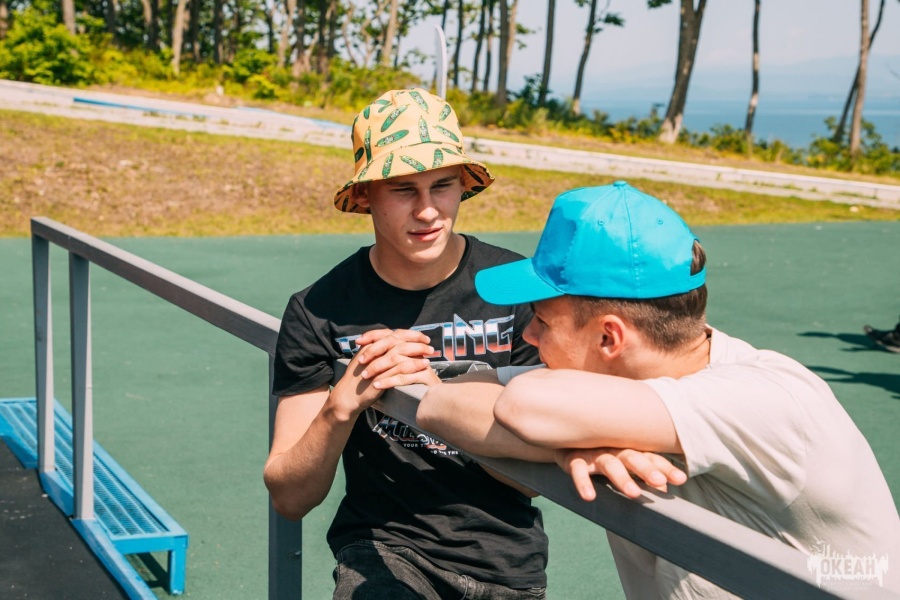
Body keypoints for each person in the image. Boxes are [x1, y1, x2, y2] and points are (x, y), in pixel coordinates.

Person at [417, 182, 900, 598]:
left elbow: (525, 405)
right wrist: (569, 448)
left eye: (542, 321)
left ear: (609, 338)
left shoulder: (762, 398)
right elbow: (444, 401)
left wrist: (565, 435)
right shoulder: (626, 388)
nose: (529, 335)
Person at [263, 88, 550, 599]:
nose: (428, 211)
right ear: (365, 196)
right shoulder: (318, 309)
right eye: (402, 190)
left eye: (443, 186)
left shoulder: (515, 290)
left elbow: (535, 477)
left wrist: (439, 401)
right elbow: (290, 496)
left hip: (507, 565)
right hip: (383, 551)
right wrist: (341, 405)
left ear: (463, 186)